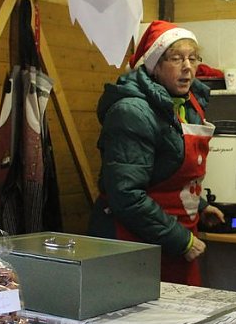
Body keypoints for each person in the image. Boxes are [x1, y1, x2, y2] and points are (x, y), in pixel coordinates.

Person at [88, 20, 224, 285]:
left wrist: (199, 206)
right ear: (154, 65)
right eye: (176, 58)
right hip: (133, 244)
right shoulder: (132, 112)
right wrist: (181, 240)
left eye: (193, 58)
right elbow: (126, 195)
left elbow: (165, 169)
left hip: (172, 235)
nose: (187, 67)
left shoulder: (186, 103)